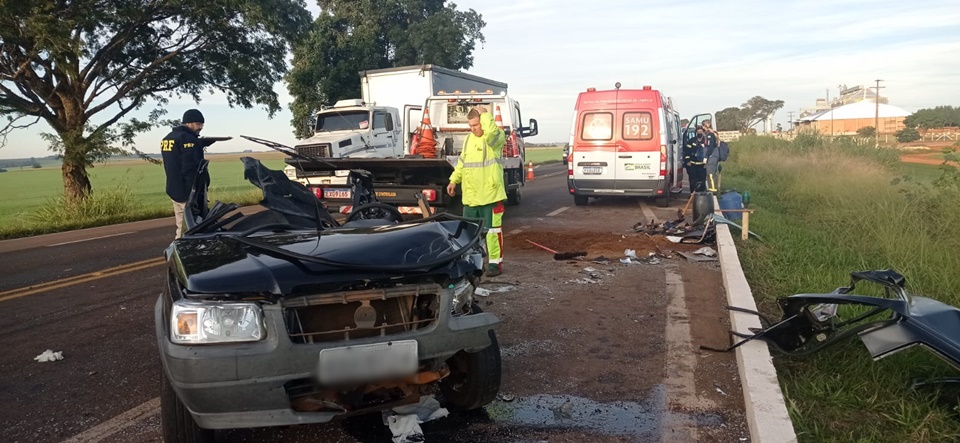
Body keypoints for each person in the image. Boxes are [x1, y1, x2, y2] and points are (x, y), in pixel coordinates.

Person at [446, 105, 507, 277]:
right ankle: (473, 263)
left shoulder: (496, 138)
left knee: (493, 232)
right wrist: (453, 180)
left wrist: (485, 115)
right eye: (470, 126)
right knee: (470, 233)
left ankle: (495, 265)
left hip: (491, 195)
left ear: (483, 123)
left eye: (476, 125)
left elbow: (492, 134)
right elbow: (462, 163)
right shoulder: (468, 139)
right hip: (471, 197)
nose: (473, 129)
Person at [161, 109, 228, 238]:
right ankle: (184, 253)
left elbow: (178, 157)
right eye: (198, 124)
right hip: (188, 192)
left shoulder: (168, 138)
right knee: (192, 229)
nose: (201, 127)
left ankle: (178, 249)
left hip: (174, 189)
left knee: (181, 224)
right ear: (188, 123)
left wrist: (201, 143)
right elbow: (190, 167)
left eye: (202, 124)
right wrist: (197, 192)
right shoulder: (188, 140)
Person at [682, 126, 707, 193]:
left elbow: (708, 152)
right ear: (696, 133)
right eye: (698, 132)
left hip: (702, 165)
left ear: (703, 132)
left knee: (702, 180)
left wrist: (706, 163)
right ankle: (692, 194)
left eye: (701, 132)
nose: (699, 133)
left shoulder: (706, 141)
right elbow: (687, 151)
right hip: (692, 164)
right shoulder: (691, 141)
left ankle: (701, 194)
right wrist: (687, 161)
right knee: (692, 180)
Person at [702, 120, 720, 192]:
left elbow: (710, 146)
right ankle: (711, 189)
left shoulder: (710, 135)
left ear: (705, 126)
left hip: (712, 157)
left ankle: (713, 190)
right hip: (711, 156)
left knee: (711, 174)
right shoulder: (709, 134)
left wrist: (706, 157)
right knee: (709, 174)